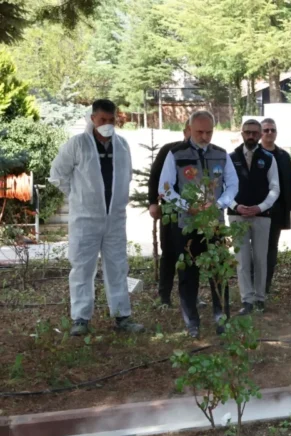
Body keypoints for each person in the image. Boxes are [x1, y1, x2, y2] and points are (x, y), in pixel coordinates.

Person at [49, 99, 144, 336]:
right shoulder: (77, 144)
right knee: (82, 268)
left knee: (118, 267)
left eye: (111, 120)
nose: (107, 125)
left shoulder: (122, 146)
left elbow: (126, 176)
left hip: (115, 219)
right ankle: (80, 318)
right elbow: (58, 175)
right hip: (85, 219)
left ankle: (122, 316)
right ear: (92, 119)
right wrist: (78, 198)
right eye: (103, 120)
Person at [158, 110, 239, 338]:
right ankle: (192, 322)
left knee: (218, 273)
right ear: (190, 130)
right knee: (188, 275)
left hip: (214, 223)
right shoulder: (176, 154)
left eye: (209, 132)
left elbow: (233, 185)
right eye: (199, 132)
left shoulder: (221, 155)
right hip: (187, 224)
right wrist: (186, 205)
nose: (204, 136)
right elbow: (164, 187)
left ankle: (221, 317)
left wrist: (220, 203)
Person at [228, 119, 280, 315]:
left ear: (260, 136)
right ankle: (246, 300)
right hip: (236, 215)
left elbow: (275, 188)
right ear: (241, 134)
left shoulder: (268, 158)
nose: (250, 136)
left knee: (260, 258)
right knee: (242, 259)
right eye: (247, 132)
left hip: (262, 216)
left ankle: (260, 298)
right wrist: (235, 205)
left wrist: (260, 207)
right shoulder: (230, 158)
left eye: (254, 133)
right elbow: (224, 187)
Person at [148, 123, 191, 306]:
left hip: (195, 213)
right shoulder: (169, 150)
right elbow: (155, 177)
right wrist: (152, 203)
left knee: (190, 254)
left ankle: (189, 295)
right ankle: (164, 296)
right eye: (194, 130)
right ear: (185, 131)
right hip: (171, 211)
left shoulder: (205, 153)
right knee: (169, 254)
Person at [260, 118, 291, 296]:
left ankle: (265, 286)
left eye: (272, 130)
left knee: (271, 248)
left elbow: (290, 182)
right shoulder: (255, 153)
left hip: (277, 209)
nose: (269, 133)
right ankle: (254, 285)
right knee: (257, 248)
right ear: (261, 132)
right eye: (266, 130)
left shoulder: (283, 156)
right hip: (258, 210)